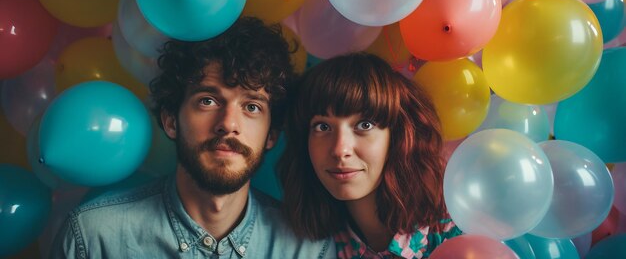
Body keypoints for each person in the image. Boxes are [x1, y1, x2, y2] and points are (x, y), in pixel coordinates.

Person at [50, 17, 335, 258]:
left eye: (251, 107)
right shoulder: (92, 239)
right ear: (171, 121)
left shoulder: (309, 250)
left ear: (272, 134)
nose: (228, 125)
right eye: (208, 101)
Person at [279, 52, 462, 259]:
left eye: (364, 125)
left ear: (397, 136)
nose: (340, 150)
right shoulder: (308, 246)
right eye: (322, 127)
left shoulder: (456, 224)